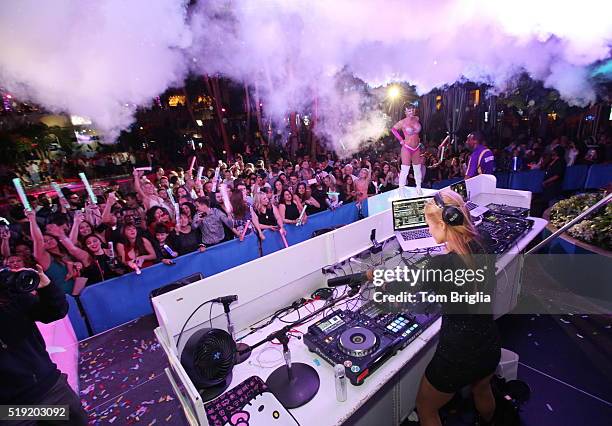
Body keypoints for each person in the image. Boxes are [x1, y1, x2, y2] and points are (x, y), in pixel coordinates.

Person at [413, 190, 500, 426]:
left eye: (429, 225)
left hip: (456, 356)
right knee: (482, 390)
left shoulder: (439, 265)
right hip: (489, 345)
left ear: (442, 224)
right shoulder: (484, 242)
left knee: (425, 406)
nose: (429, 231)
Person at [0, 265, 89, 425]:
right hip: (11, 409)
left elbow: (55, 311)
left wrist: (46, 288)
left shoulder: (7, 293)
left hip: (49, 389)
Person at [392, 106, 423, 194]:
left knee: (417, 168)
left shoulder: (417, 118)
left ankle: (419, 187)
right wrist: (401, 139)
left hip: (416, 147)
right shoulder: (402, 122)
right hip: (407, 147)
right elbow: (393, 129)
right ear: (405, 112)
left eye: (412, 110)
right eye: (409, 110)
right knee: (405, 169)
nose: (411, 111)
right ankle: (401, 189)